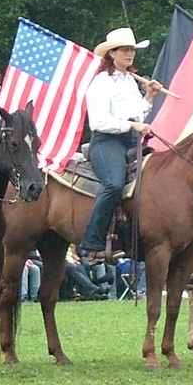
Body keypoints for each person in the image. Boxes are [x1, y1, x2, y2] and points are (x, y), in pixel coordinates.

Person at [75, 27, 161, 263]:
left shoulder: (131, 81)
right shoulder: (101, 83)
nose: (130, 54)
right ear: (111, 53)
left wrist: (150, 98)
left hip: (131, 141)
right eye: (124, 50)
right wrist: (133, 127)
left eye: (132, 50)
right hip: (106, 141)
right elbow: (99, 121)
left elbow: (137, 115)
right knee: (113, 184)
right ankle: (91, 245)